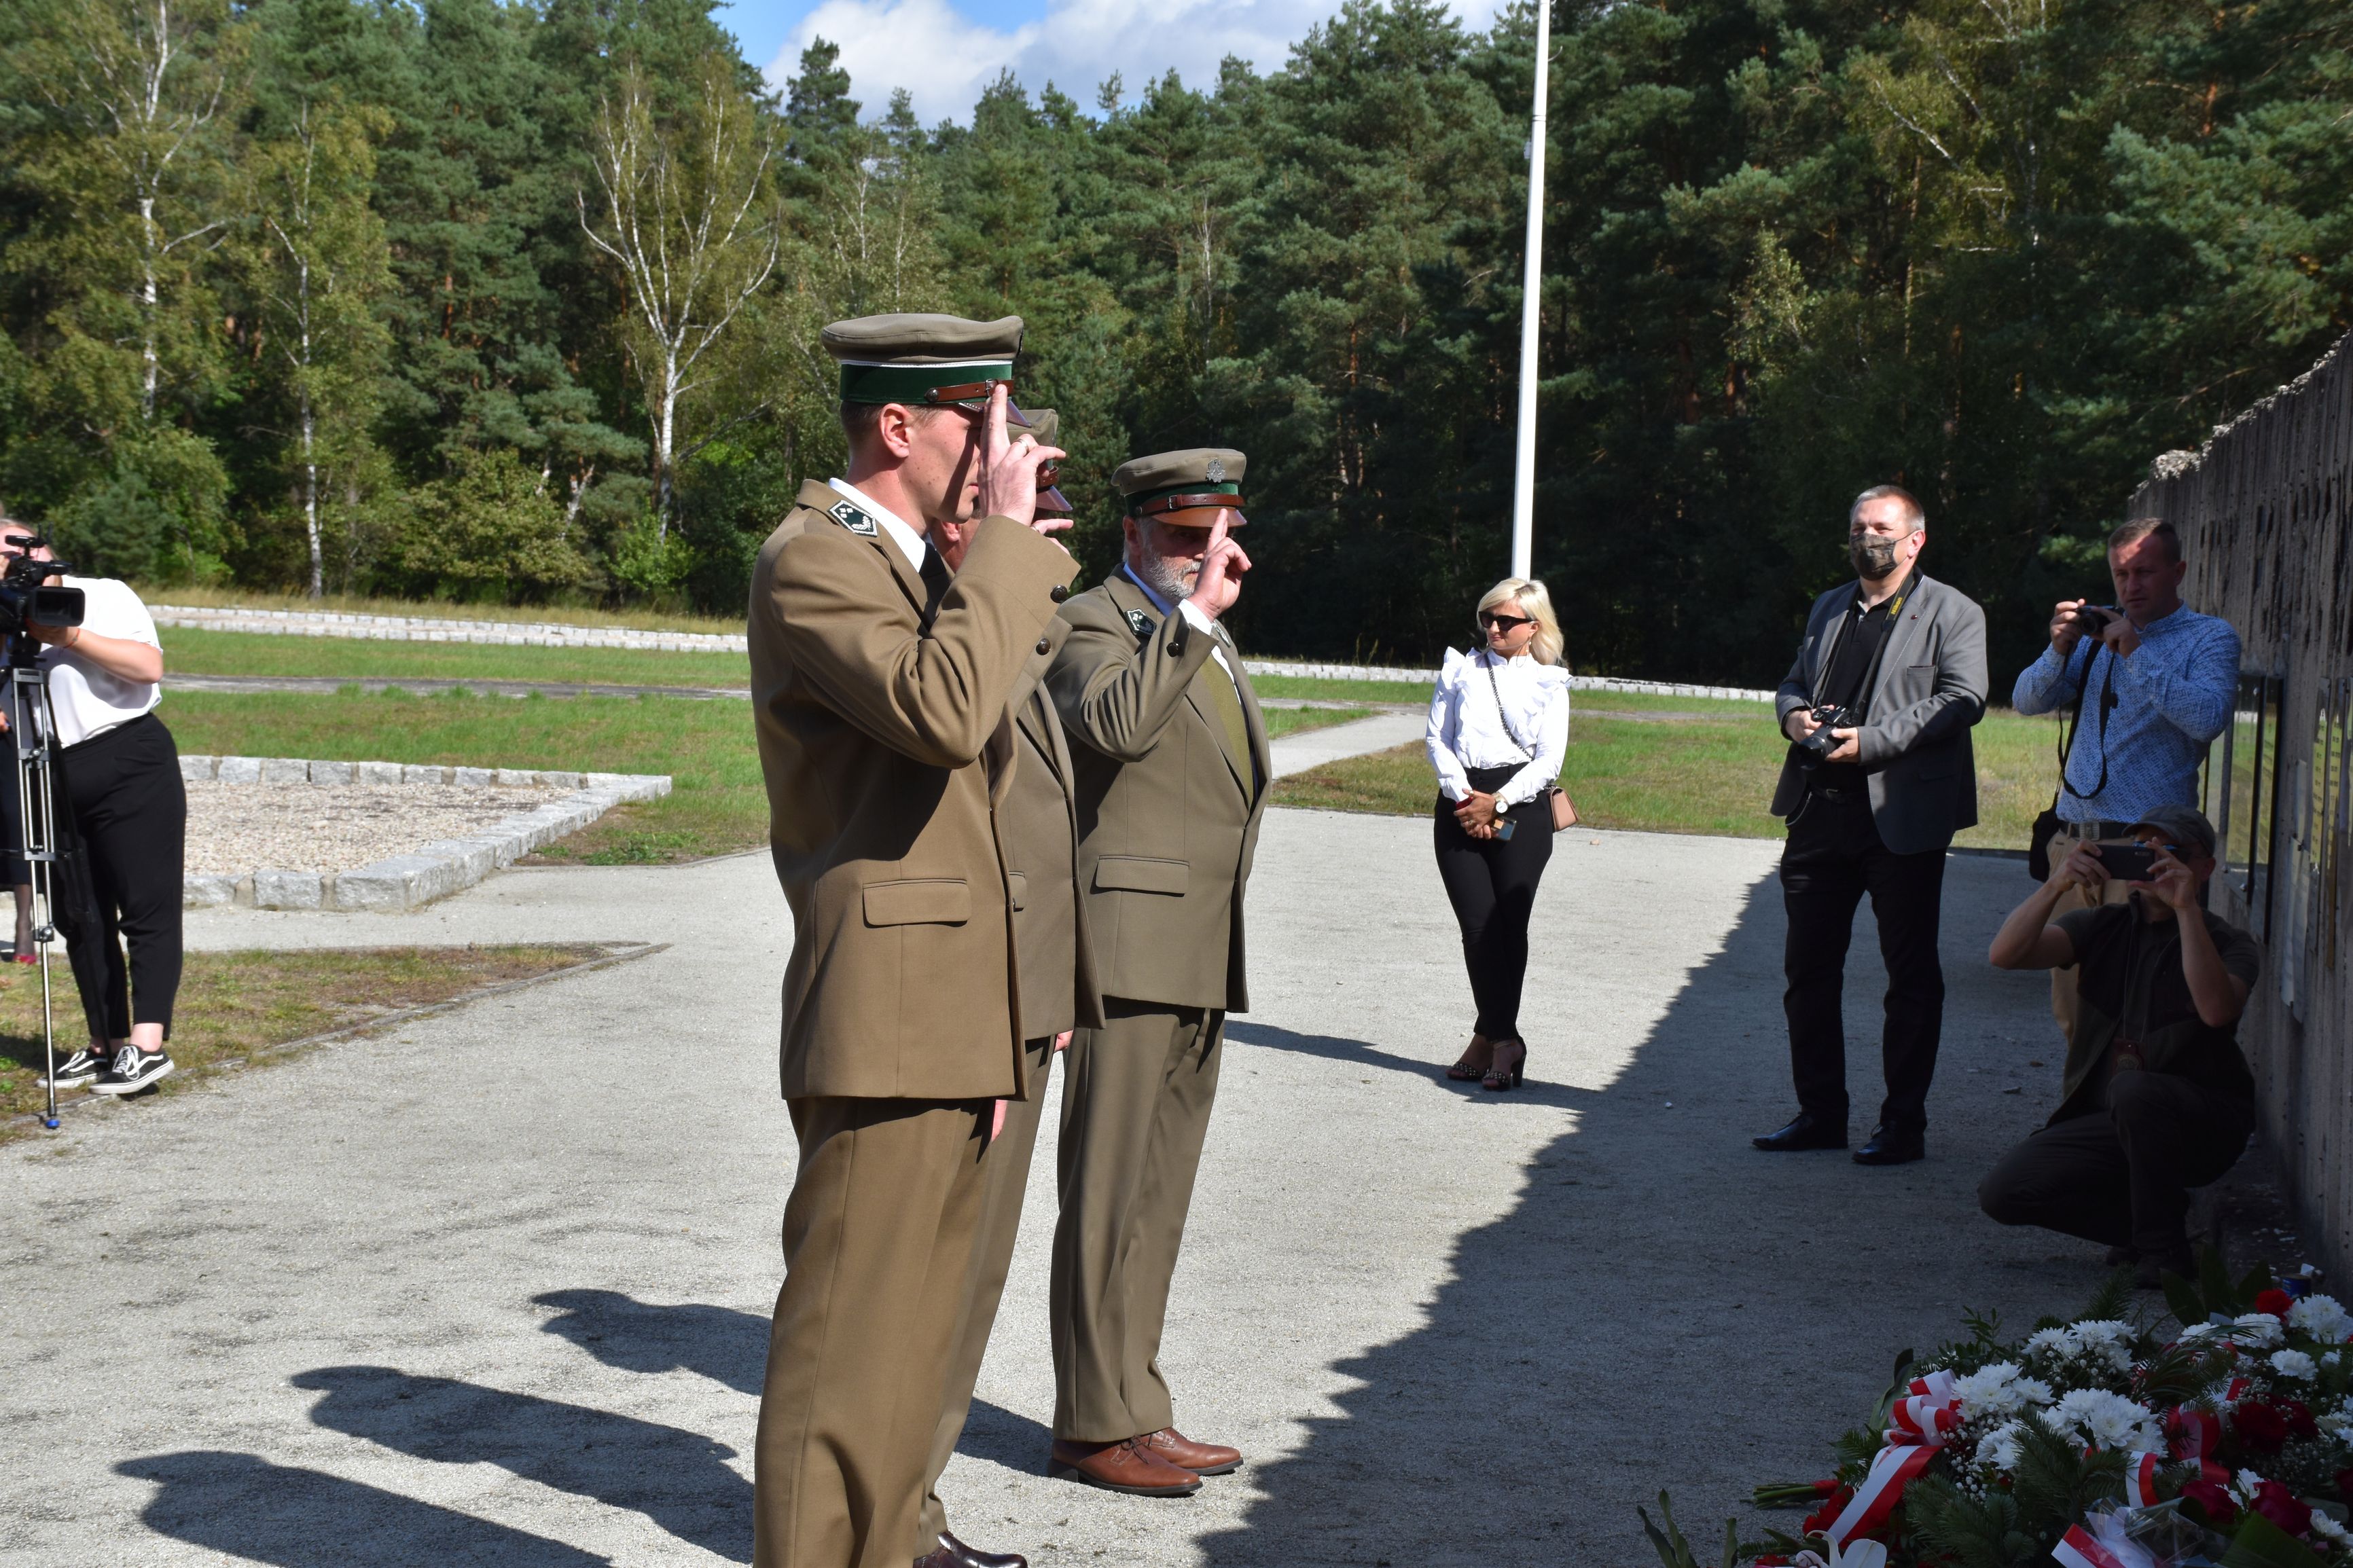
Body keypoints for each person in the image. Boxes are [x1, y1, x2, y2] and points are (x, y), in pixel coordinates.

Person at [746, 312, 1076, 1568]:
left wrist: (995, 560)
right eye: (977, 419)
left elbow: (989, 740)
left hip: (946, 1004)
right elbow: (941, 712)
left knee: (907, 1340)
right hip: (883, 1009)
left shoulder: (920, 567)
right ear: (896, 426)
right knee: (843, 1344)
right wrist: (995, 548)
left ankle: (890, 1546)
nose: (1001, 445)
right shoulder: (812, 558)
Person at [1043, 447, 1263, 1498]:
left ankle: (1136, 1403)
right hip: (1125, 955)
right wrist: (1195, 621)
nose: (1202, 555)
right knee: (1106, 1197)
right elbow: (1116, 725)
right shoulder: (1093, 622)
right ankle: (1091, 1421)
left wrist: (1197, 628)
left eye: (1215, 534)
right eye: (1181, 537)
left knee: (1157, 1198)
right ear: (1131, 535)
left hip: (1196, 953)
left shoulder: (1195, 639)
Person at [916, 408, 1099, 1568]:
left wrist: (1050, 993)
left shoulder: (1000, 627)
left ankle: (907, 1507)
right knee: (929, 1286)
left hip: (1019, 1004)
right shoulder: (950, 626)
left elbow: (1039, 840)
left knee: (965, 1284)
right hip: (965, 1010)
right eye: (1037, 515)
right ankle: (893, 1514)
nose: (1053, 546)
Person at [1756, 484, 1988, 1166]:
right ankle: (1819, 1113)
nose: (1865, 538)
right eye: (1857, 526)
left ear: (1913, 540)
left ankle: (1901, 1124)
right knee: (1806, 971)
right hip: (1817, 809)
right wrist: (1792, 716)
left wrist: (1873, 741)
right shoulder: (1829, 605)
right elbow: (1792, 682)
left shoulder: (1954, 611)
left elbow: (1963, 699)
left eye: (1880, 527)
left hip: (1901, 815)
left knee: (1908, 976)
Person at [1979, 805, 2257, 1286]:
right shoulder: (2102, 925)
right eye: (2139, 851)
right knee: (2004, 1192)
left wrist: (2186, 908)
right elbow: (2005, 954)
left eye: (2169, 853)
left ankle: (2162, 1254)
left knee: (2133, 1091)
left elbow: (2216, 1009)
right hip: (2115, 1118)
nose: (2151, 864)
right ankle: (2157, 1225)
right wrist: (2057, 885)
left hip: (2203, 1121)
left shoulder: (2228, 941)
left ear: (2205, 867)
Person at [2011, 517, 2238, 1042]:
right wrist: (2059, 648)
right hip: (2076, 843)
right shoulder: (2095, 637)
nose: (2131, 586)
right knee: (2073, 1006)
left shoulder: (2209, 637)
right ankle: (2082, 1118)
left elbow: (2206, 717)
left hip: (2146, 850)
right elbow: (2026, 700)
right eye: (2121, 574)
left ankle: (2129, 1116)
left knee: (2139, 1006)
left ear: (2178, 571)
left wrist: (2135, 651)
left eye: (2145, 572)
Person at [5, 517, 186, 1098]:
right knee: (79, 916)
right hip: (46, 773)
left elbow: (148, 668)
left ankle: (147, 1043)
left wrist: (69, 636)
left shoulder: (104, 594)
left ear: (32, 549)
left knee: (145, 906)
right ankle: (103, 1041)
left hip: (128, 757)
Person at [1424, 577, 1571, 1091]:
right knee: (1477, 923)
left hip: (1520, 810)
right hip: (1461, 805)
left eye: (1506, 621)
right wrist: (1464, 798)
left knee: (1508, 925)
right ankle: (1506, 1039)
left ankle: (1489, 1038)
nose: (1493, 627)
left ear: (1533, 627)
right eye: (1488, 617)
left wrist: (1499, 802)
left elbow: (1550, 759)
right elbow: (1437, 739)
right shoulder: (1459, 668)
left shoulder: (1551, 682)